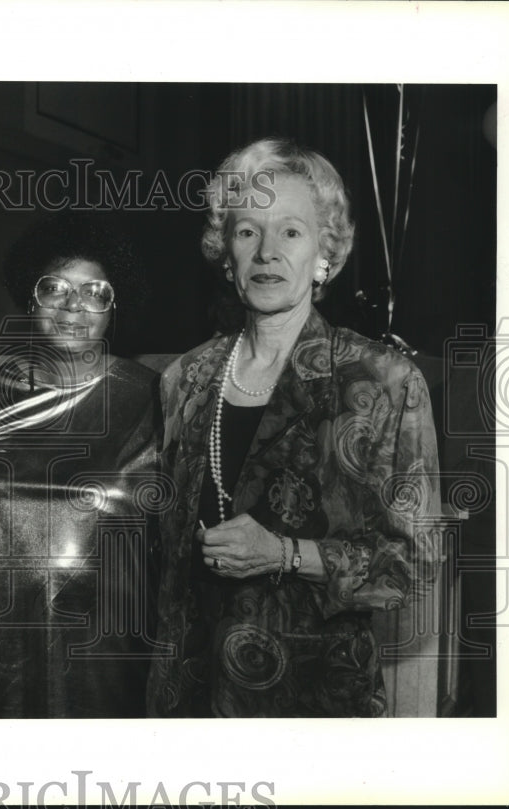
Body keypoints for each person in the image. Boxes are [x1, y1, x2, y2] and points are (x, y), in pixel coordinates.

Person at [146, 138, 441, 717]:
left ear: (323, 255)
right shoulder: (184, 377)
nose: (266, 253)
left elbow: (413, 568)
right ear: (226, 253)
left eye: (290, 232)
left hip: (312, 701)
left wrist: (284, 553)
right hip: (189, 699)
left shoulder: (384, 380)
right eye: (248, 231)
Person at [0, 213, 169, 717]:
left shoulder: (153, 400)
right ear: (32, 298)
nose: (73, 306)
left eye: (94, 292)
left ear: (114, 307)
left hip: (107, 660)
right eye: (55, 288)